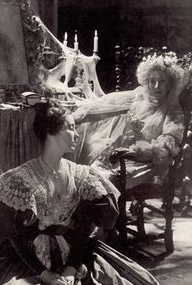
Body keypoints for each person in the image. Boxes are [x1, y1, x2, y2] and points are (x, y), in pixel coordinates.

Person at [0, 99, 170, 285]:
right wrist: (43, 273)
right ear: (51, 132)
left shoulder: (83, 176)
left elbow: (85, 228)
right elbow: (16, 235)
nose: (77, 135)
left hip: (75, 254)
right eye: (71, 128)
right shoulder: (19, 180)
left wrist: (71, 268)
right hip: (27, 259)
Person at [73, 53, 189, 191]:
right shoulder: (138, 96)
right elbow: (107, 104)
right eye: (152, 81)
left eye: (162, 81)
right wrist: (76, 117)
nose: (157, 86)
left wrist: (145, 148)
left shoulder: (173, 110)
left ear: (170, 83)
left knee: (102, 179)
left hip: (145, 162)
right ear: (146, 82)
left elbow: (169, 140)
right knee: (89, 171)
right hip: (118, 152)